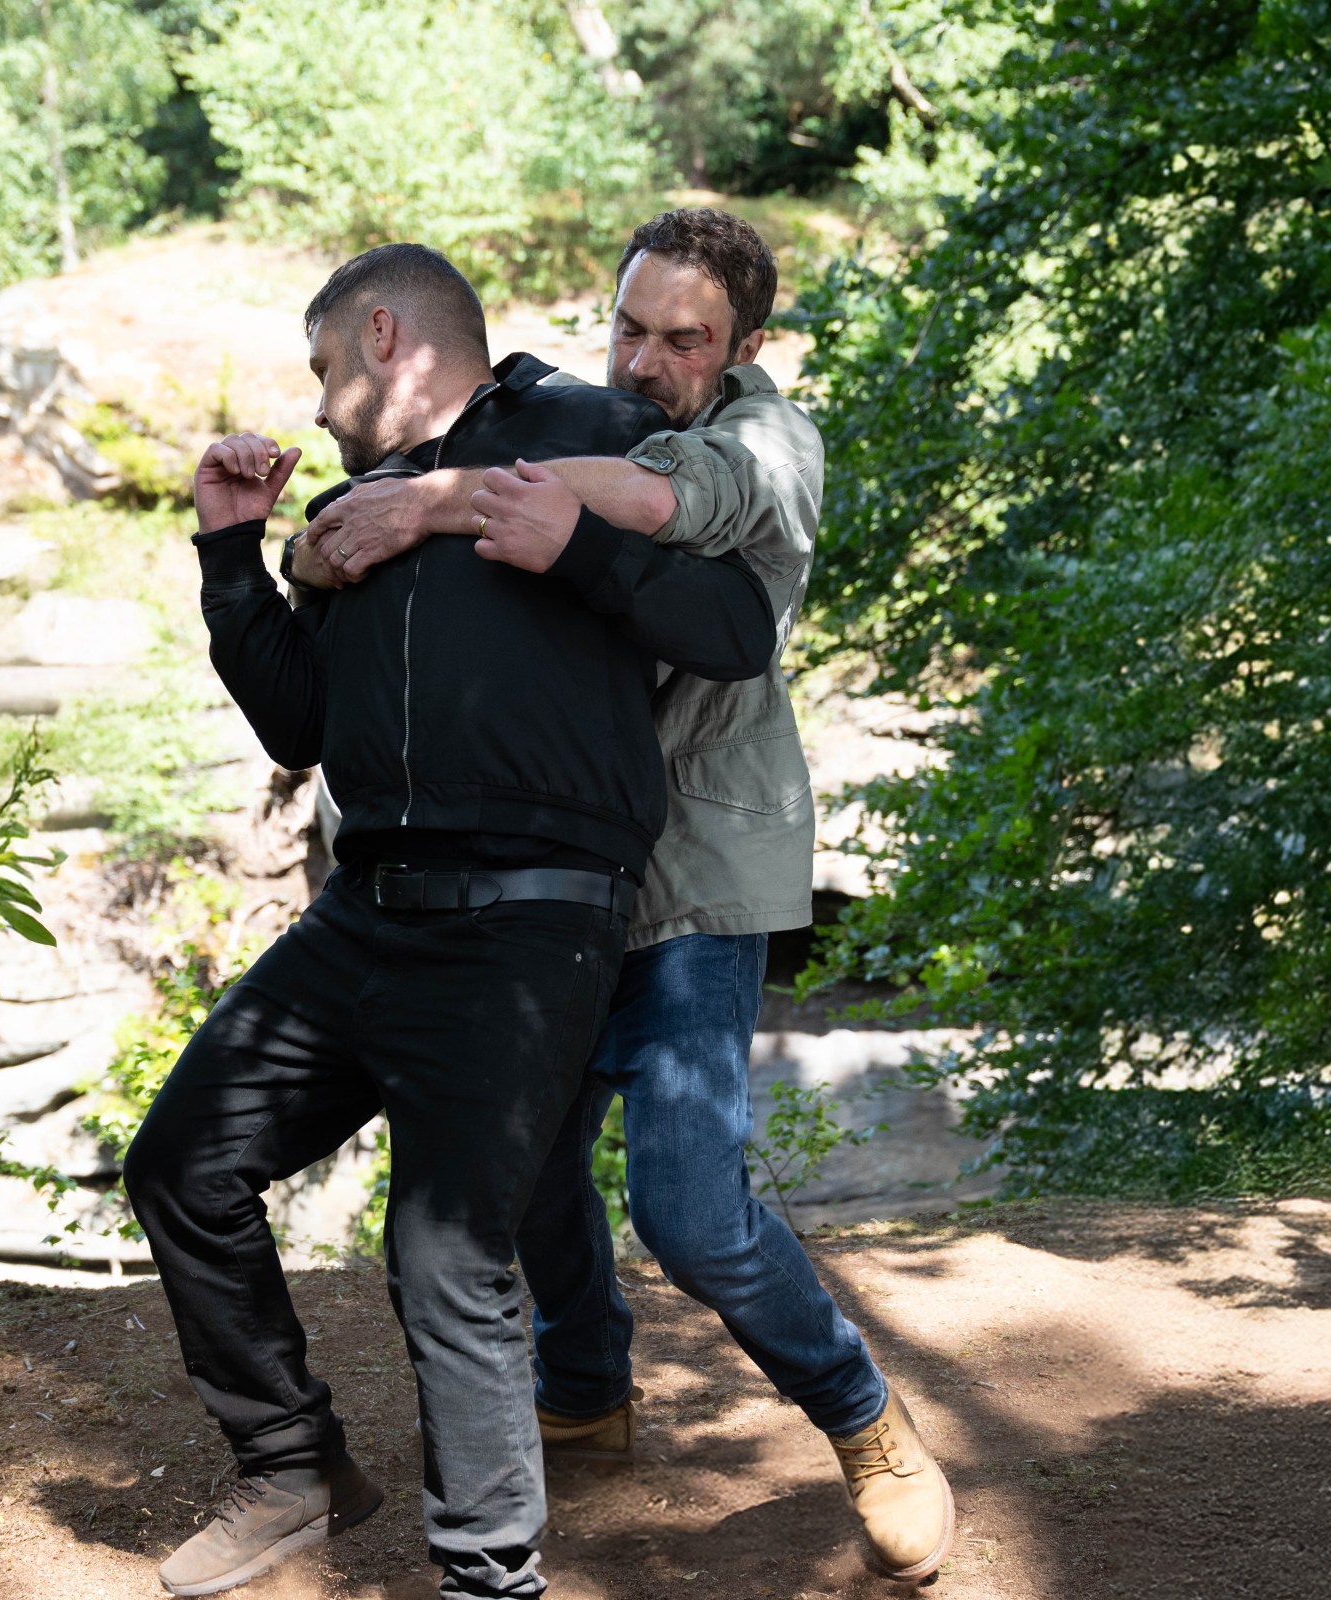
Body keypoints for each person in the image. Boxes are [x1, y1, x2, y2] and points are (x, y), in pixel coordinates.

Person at [300, 209, 956, 1584]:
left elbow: (684, 496)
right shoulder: (566, 431)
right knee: (529, 1163)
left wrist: (441, 498)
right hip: (545, 888)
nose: (650, 360)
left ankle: (864, 1416)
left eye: (687, 339)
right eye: (632, 327)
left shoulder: (767, 441)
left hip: (699, 872)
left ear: (746, 347)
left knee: (689, 1206)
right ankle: (586, 1390)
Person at [121, 241, 780, 1599]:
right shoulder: (356, 509)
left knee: (444, 1252)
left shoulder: (588, 429)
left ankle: (489, 1579)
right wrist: (231, 554)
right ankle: (292, 1466)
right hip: (366, 916)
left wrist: (578, 543)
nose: (311, 409)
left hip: (535, 923)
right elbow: (300, 723)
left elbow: (735, 624)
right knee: (181, 1162)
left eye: (320, 371)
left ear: (382, 335)